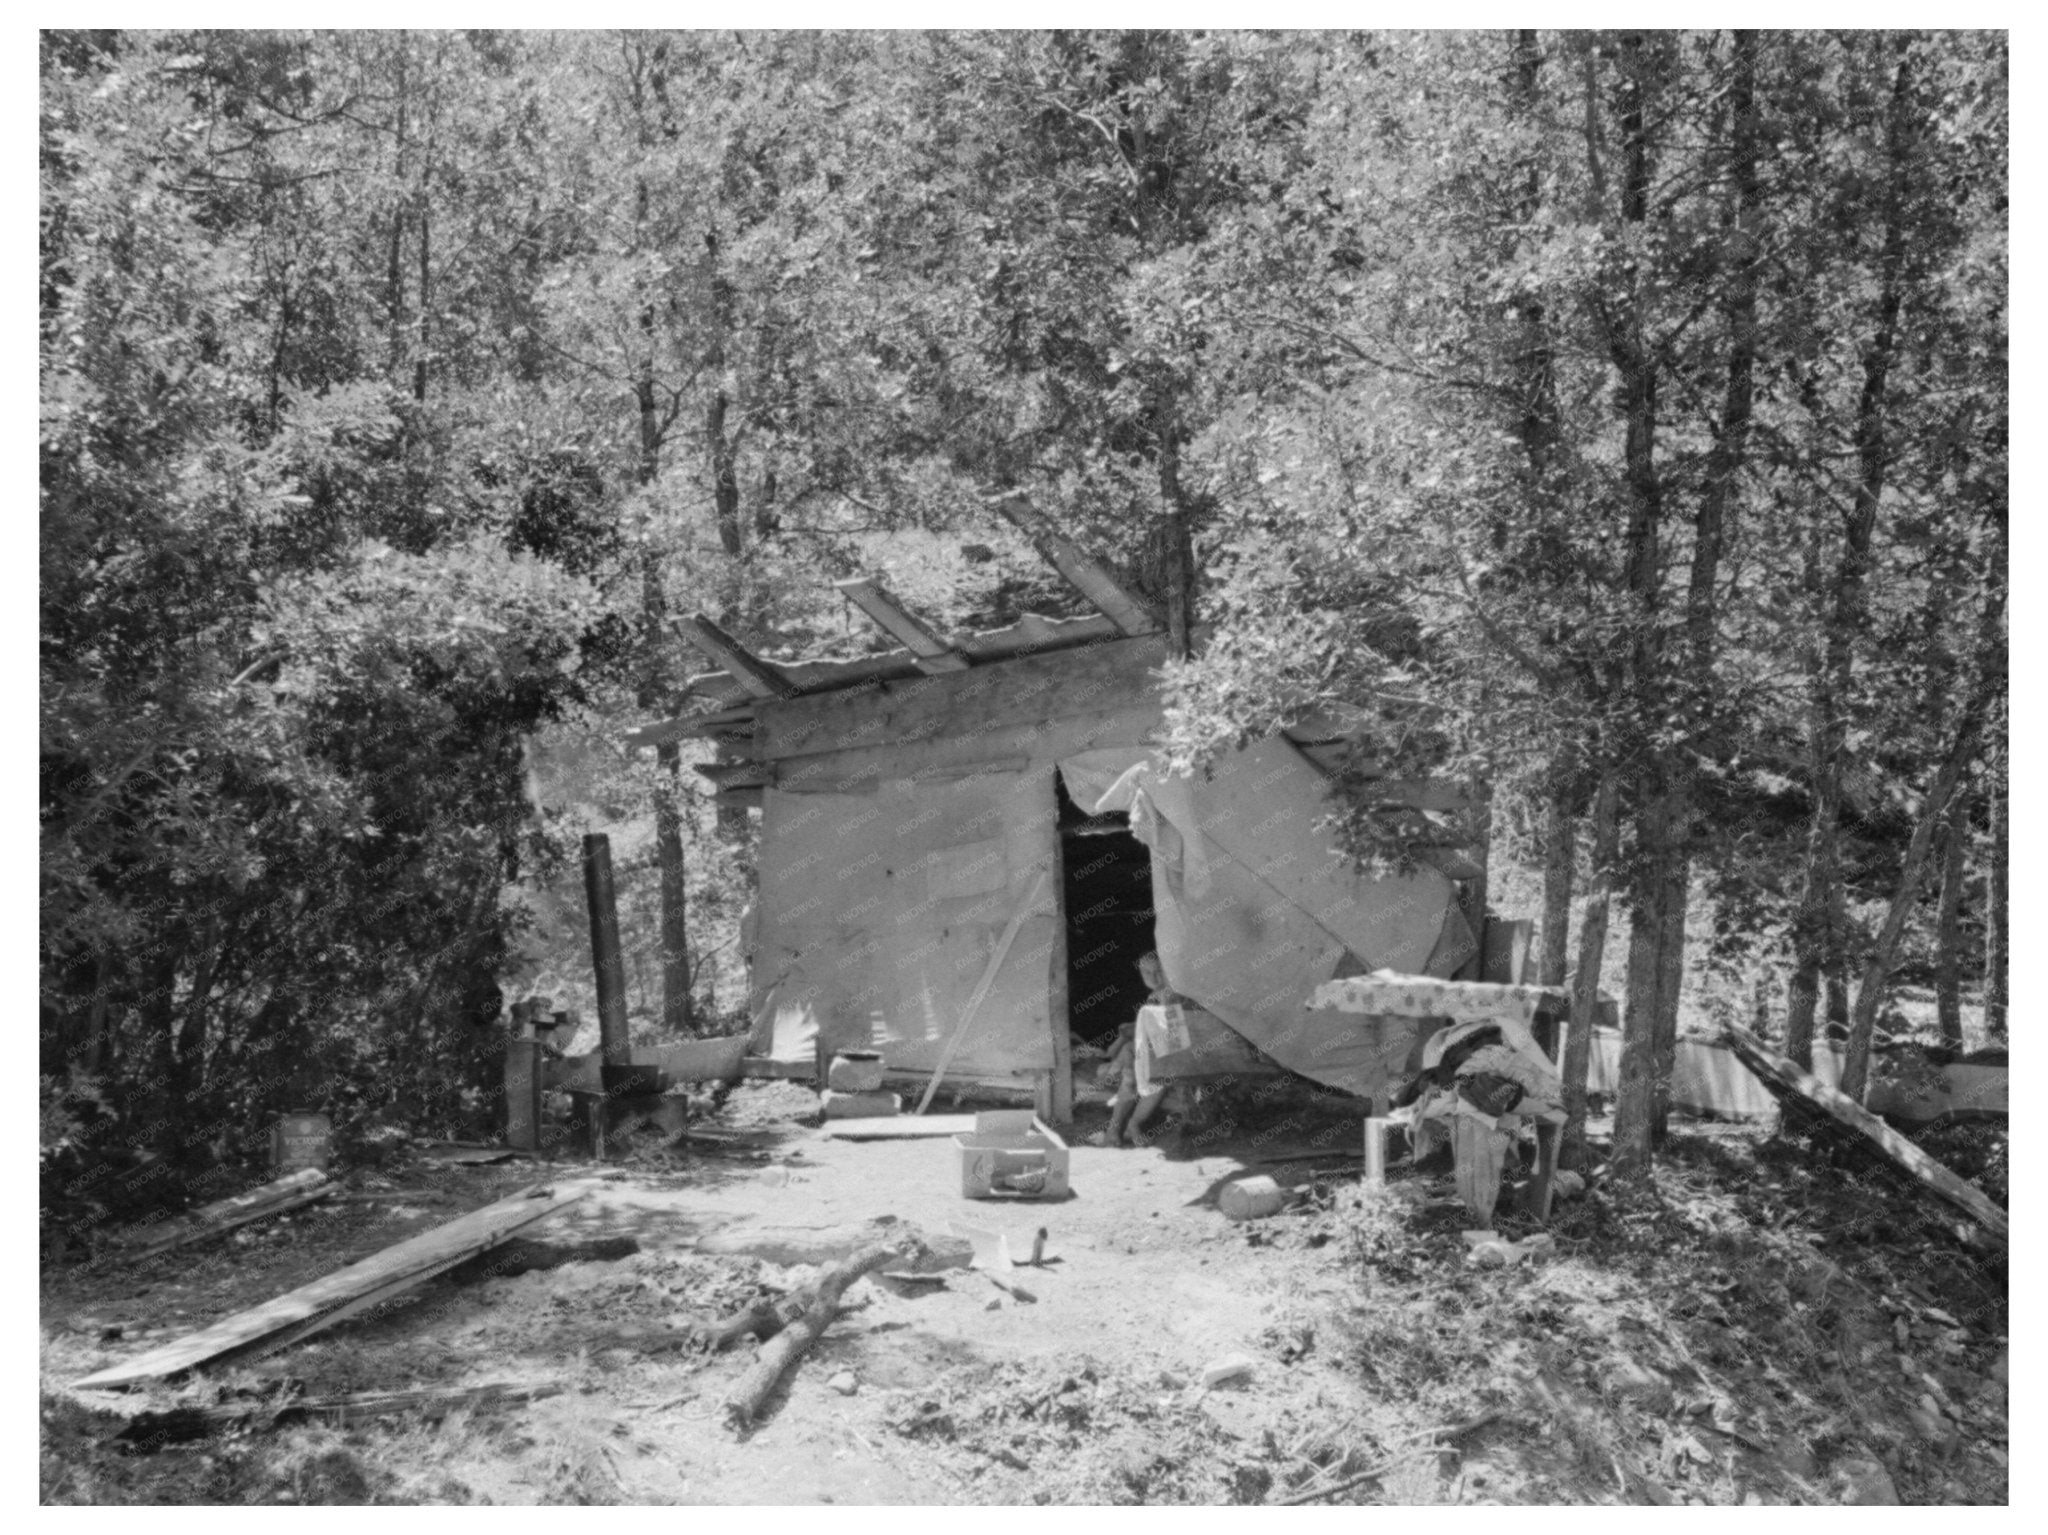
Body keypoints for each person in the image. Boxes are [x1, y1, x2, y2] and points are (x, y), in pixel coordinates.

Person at [1090, 952, 1177, 1147]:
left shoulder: (1170, 994)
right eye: (1147, 972)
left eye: (1158, 971)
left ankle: (1121, 1127)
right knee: (1130, 1067)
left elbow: (1170, 1032)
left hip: (1168, 1054)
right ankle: (1123, 1127)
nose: (1153, 977)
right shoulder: (1153, 996)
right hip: (1151, 1053)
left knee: (1140, 1069)